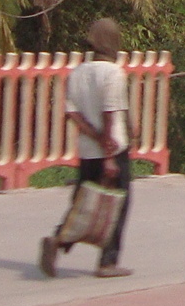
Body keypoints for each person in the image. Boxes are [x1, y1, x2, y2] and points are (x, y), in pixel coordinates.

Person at [42, 18, 134, 278]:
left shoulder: (78, 72)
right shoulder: (114, 73)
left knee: (83, 202)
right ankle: (108, 261)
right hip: (113, 149)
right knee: (118, 204)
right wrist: (109, 153)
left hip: (87, 149)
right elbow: (109, 112)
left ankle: (59, 239)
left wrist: (94, 138)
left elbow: (72, 113)